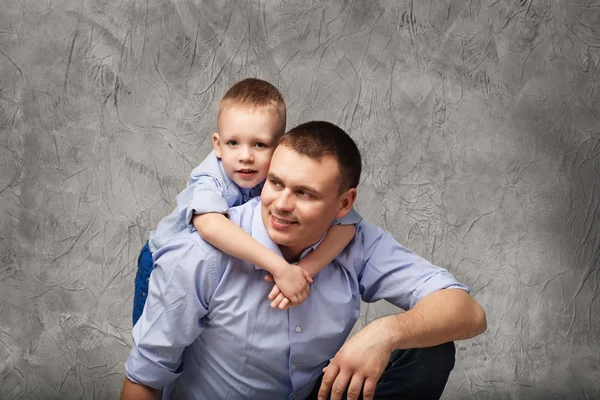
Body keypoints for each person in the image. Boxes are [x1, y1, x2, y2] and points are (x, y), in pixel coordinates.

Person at [121, 121, 487, 400]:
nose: (281, 204)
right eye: (276, 183)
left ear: (344, 204)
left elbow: (468, 312)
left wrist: (384, 333)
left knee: (429, 350)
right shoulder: (202, 254)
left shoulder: (356, 241)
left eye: (304, 193)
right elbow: (145, 377)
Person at [132, 79, 360, 325]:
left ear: (281, 146)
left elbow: (346, 224)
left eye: (259, 144)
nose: (246, 157)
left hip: (215, 270)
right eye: (233, 143)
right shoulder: (209, 177)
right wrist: (281, 269)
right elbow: (210, 227)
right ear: (218, 146)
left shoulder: (280, 173)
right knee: (161, 332)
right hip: (162, 263)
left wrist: (304, 271)